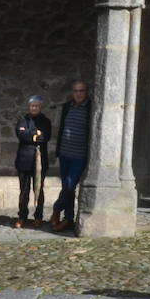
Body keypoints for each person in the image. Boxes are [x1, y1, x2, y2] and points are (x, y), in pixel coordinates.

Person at [51, 80, 92, 232]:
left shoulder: (91, 108)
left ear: (86, 92)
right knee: (66, 188)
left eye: (81, 90)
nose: (78, 93)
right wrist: (58, 150)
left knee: (69, 184)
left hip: (79, 155)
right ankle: (68, 219)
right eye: (76, 91)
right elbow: (62, 128)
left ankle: (56, 210)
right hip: (64, 154)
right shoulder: (68, 106)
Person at [15, 95, 52, 228]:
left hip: (40, 161)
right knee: (24, 191)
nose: (34, 108)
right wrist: (35, 134)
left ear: (40, 107)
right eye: (32, 105)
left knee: (38, 189)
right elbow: (21, 135)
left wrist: (30, 134)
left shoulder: (45, 121)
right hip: (24, 160)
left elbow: (45, 137)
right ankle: (22, 216)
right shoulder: (22, 120)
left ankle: (38, 216)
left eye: (36, 106)